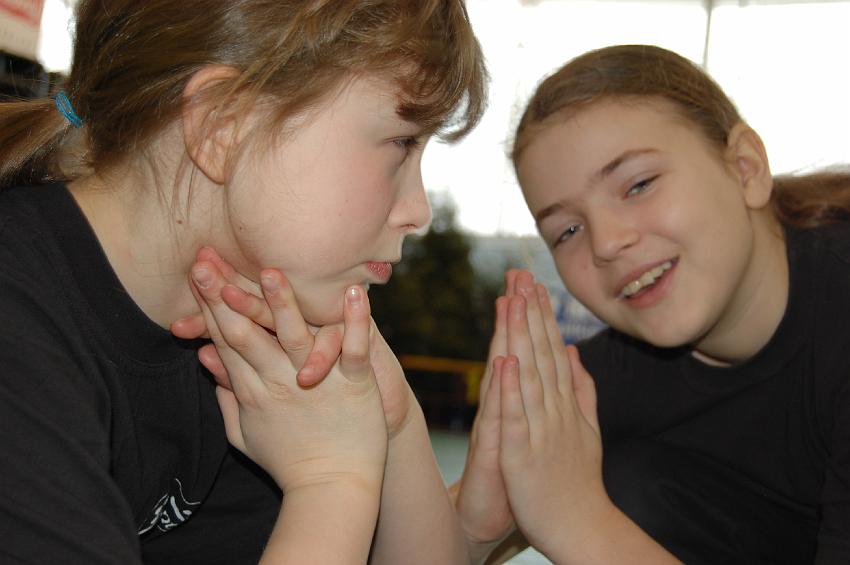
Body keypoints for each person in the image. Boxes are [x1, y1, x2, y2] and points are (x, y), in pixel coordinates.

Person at [0, 1, 487, 563]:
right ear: (223, 125)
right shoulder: (18, 335)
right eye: (401, 143)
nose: (418, 212)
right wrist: (331, 480)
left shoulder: (247, 335)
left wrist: (391, 423)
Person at [453, 44, 850, 564]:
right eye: (567, 230)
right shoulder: (603, 380)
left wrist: (578, 522)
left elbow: (580, 521)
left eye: (638, 185)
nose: (605, 242)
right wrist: (476, 528)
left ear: (746, 168)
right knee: (632, 484)